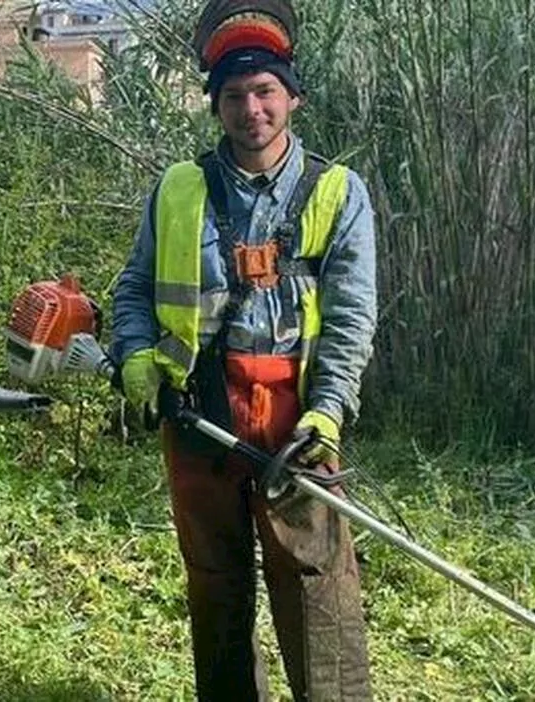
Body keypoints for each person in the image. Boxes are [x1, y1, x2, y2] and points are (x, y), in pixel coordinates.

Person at [110, 2, 376, 699]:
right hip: (199, 410)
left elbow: (351, 318)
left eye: (264, 92)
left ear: (293, 97)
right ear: (215, 105)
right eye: (234, 96)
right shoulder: (178, 188)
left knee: (318, 588)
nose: (250, 109)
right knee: (215, 585)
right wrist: (136, 357)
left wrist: (327, 414)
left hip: (295, 423)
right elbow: (133, 288)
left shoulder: (337, 193)